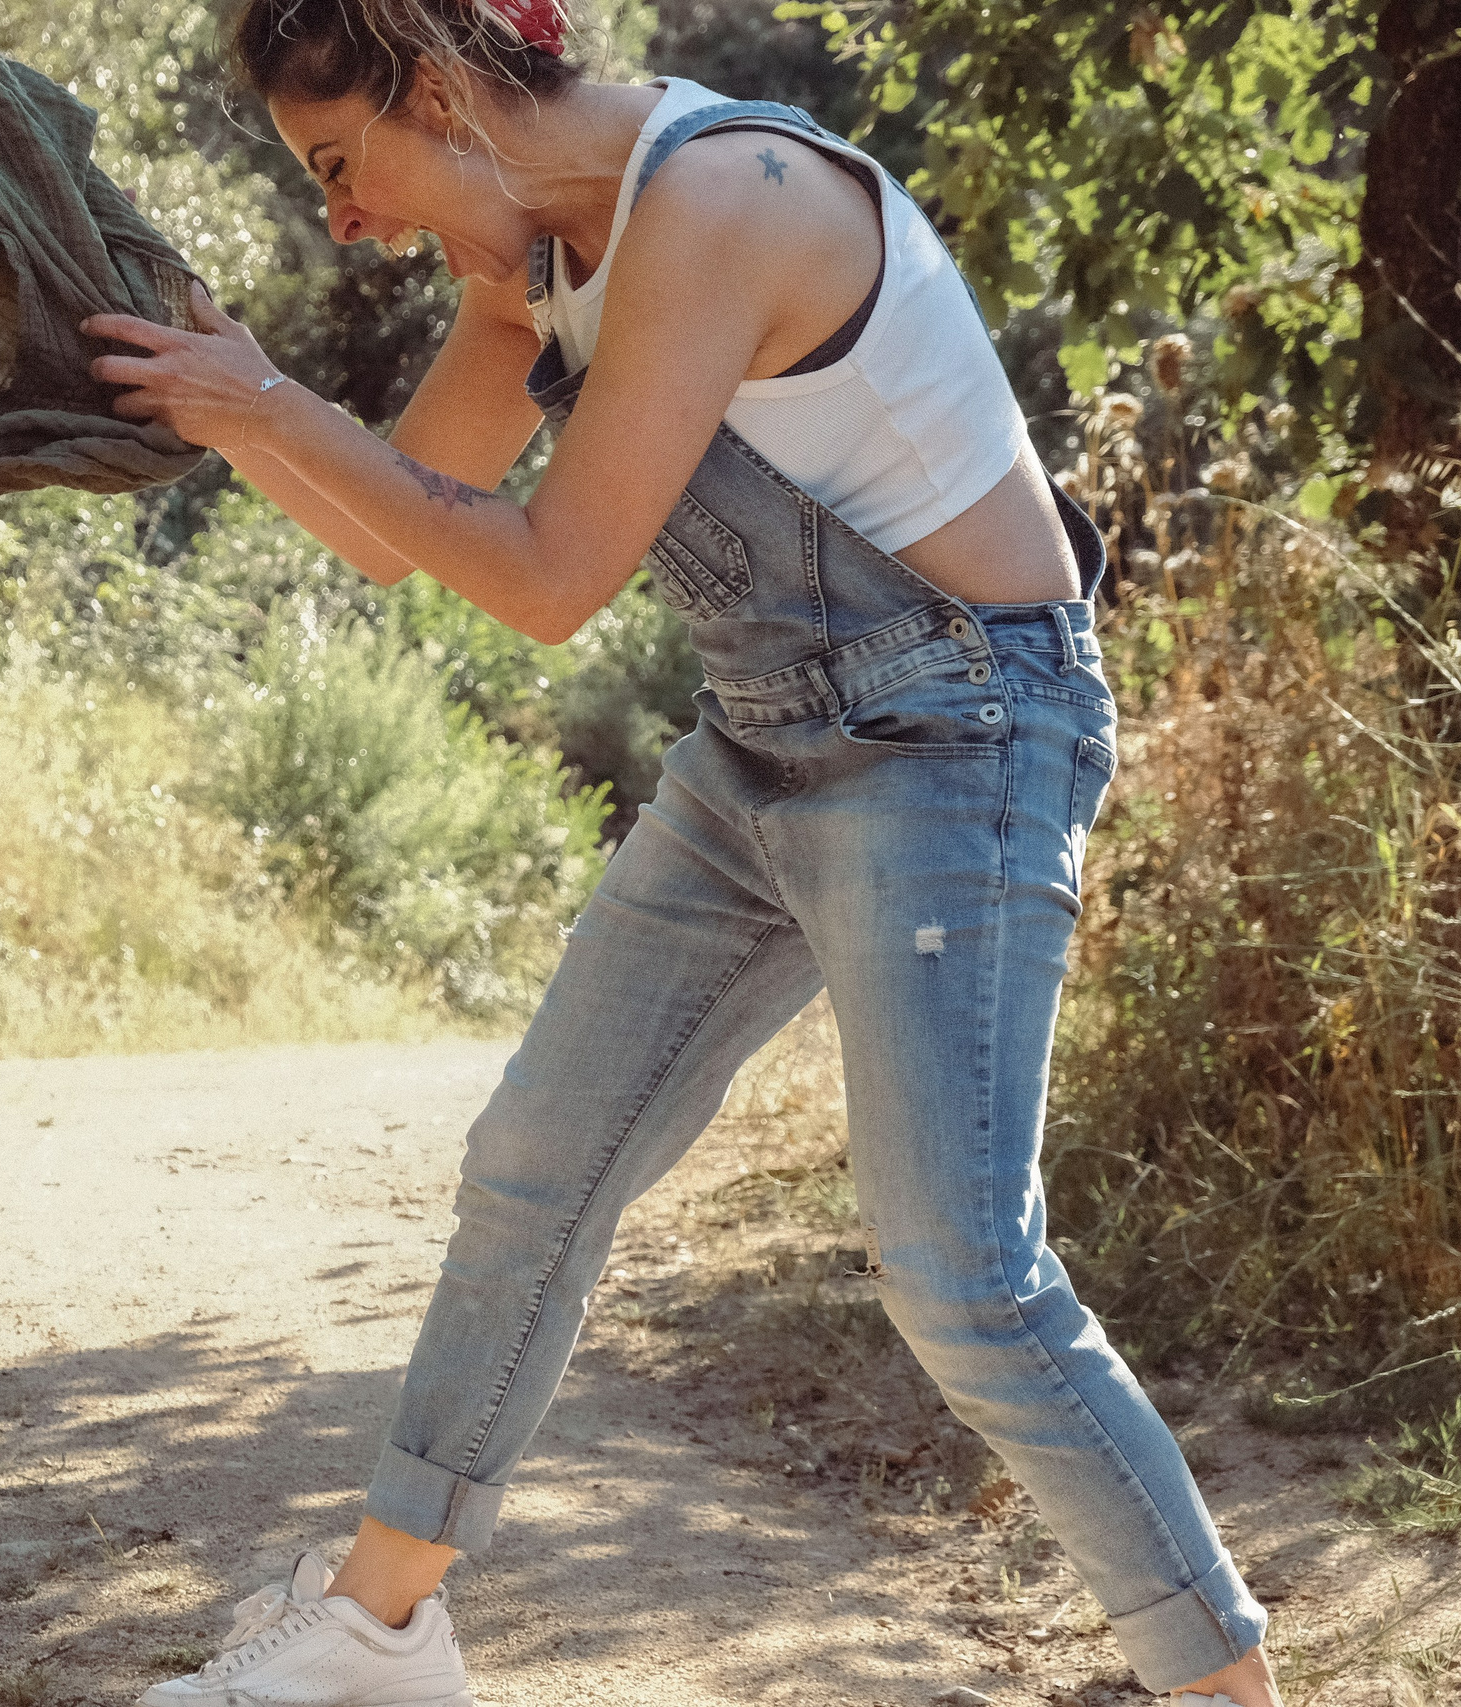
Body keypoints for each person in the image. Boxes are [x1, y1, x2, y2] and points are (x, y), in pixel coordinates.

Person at [82, 1, 1280, 1703]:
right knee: (535, 1167)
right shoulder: (541, 255)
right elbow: (398, 521)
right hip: (768, 738)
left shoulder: (723, 198)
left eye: (344, 166)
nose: (341, 221)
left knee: (963, 1277)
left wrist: (270, 396)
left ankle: (1231, 1691)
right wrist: (227, 406)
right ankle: (378, 1634)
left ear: (436, 90)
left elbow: (551, 577)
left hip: (960, 733)